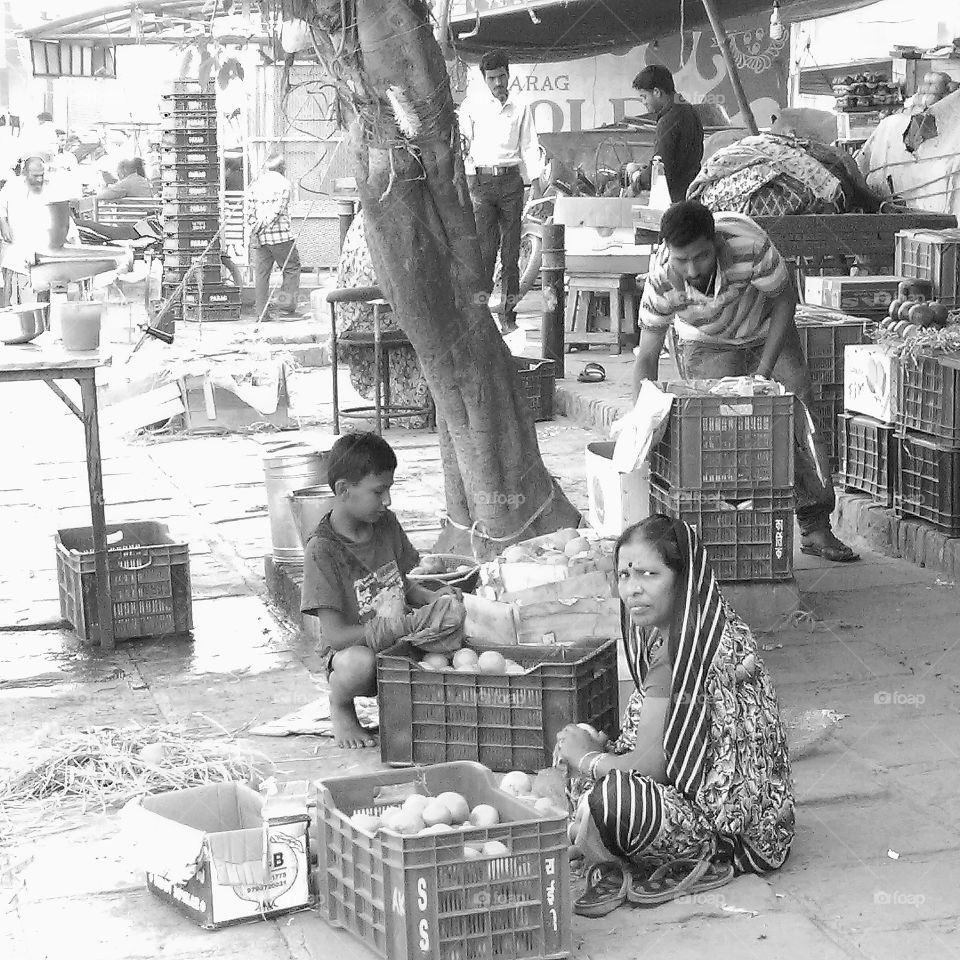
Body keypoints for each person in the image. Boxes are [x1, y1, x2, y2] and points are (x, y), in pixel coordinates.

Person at [555, 516, 795, 916]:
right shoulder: (706, 626)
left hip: (729, 833)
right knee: (579, 751)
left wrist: (590, 759)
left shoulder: (682, 654)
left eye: (650, 574)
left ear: (684, 578)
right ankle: (605, 838)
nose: (633, 588)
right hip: (762, 819)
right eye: (625, 575)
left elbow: (655, 766)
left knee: (610, 799)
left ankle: (670, 857)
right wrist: (597, 753)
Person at [631, 200, 859, 562]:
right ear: (666, 252)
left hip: (767, 327)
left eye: (702, 257)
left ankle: (815, 526)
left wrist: (762, 375)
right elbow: (646, 355)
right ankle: (729, 534)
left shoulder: (748, 246)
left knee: (797, 411)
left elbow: (785, 299)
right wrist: (640, 423)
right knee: (720, 430)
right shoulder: (661, 281)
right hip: (705, 340)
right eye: (681, 259)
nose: (691, 269)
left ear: (718, 244)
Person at [300, 432, 465, 749]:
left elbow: (403, 584)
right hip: (354, 653)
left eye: (389, 489)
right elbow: (335, 637)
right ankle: (341, 707)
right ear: (343, 490)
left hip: (402, 644)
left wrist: (434, 598)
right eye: (379, 491)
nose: (387, 500)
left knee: (456, 639)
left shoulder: (385, 524)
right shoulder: (323, 550)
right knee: (361, 664)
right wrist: (400, 626)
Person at [459, 49, 542, 334]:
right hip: (481, 183)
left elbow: (530, 146)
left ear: (509, 74)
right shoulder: (472, 106)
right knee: (485, 251)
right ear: (484, 78)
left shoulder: (521, 106)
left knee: (510, 254)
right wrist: (470, 182)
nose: (498, 83)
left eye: (502, 76)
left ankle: (508, 316)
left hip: (511, 183)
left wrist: (537, 180)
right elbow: (463, 147)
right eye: (492, 78)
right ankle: (480, 316)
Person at [631, 64, 704, 204]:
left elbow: (660, 167)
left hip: (675, 198)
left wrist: (636, 185)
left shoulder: (669, 119)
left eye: (644, 96)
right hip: (692, 192)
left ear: (657, 92)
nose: (643, 102)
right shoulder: (688, 110)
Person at [246, 153, 301, 321]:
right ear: (282, 167)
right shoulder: (284, 184)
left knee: (262, 274)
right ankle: (286, 307)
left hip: (260, 238)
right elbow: (277, 211)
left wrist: (256, 229)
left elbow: (249, 212)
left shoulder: (255, 185)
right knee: (291, 268)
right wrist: (264, 225)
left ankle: (261, 313)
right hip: (281, 238)